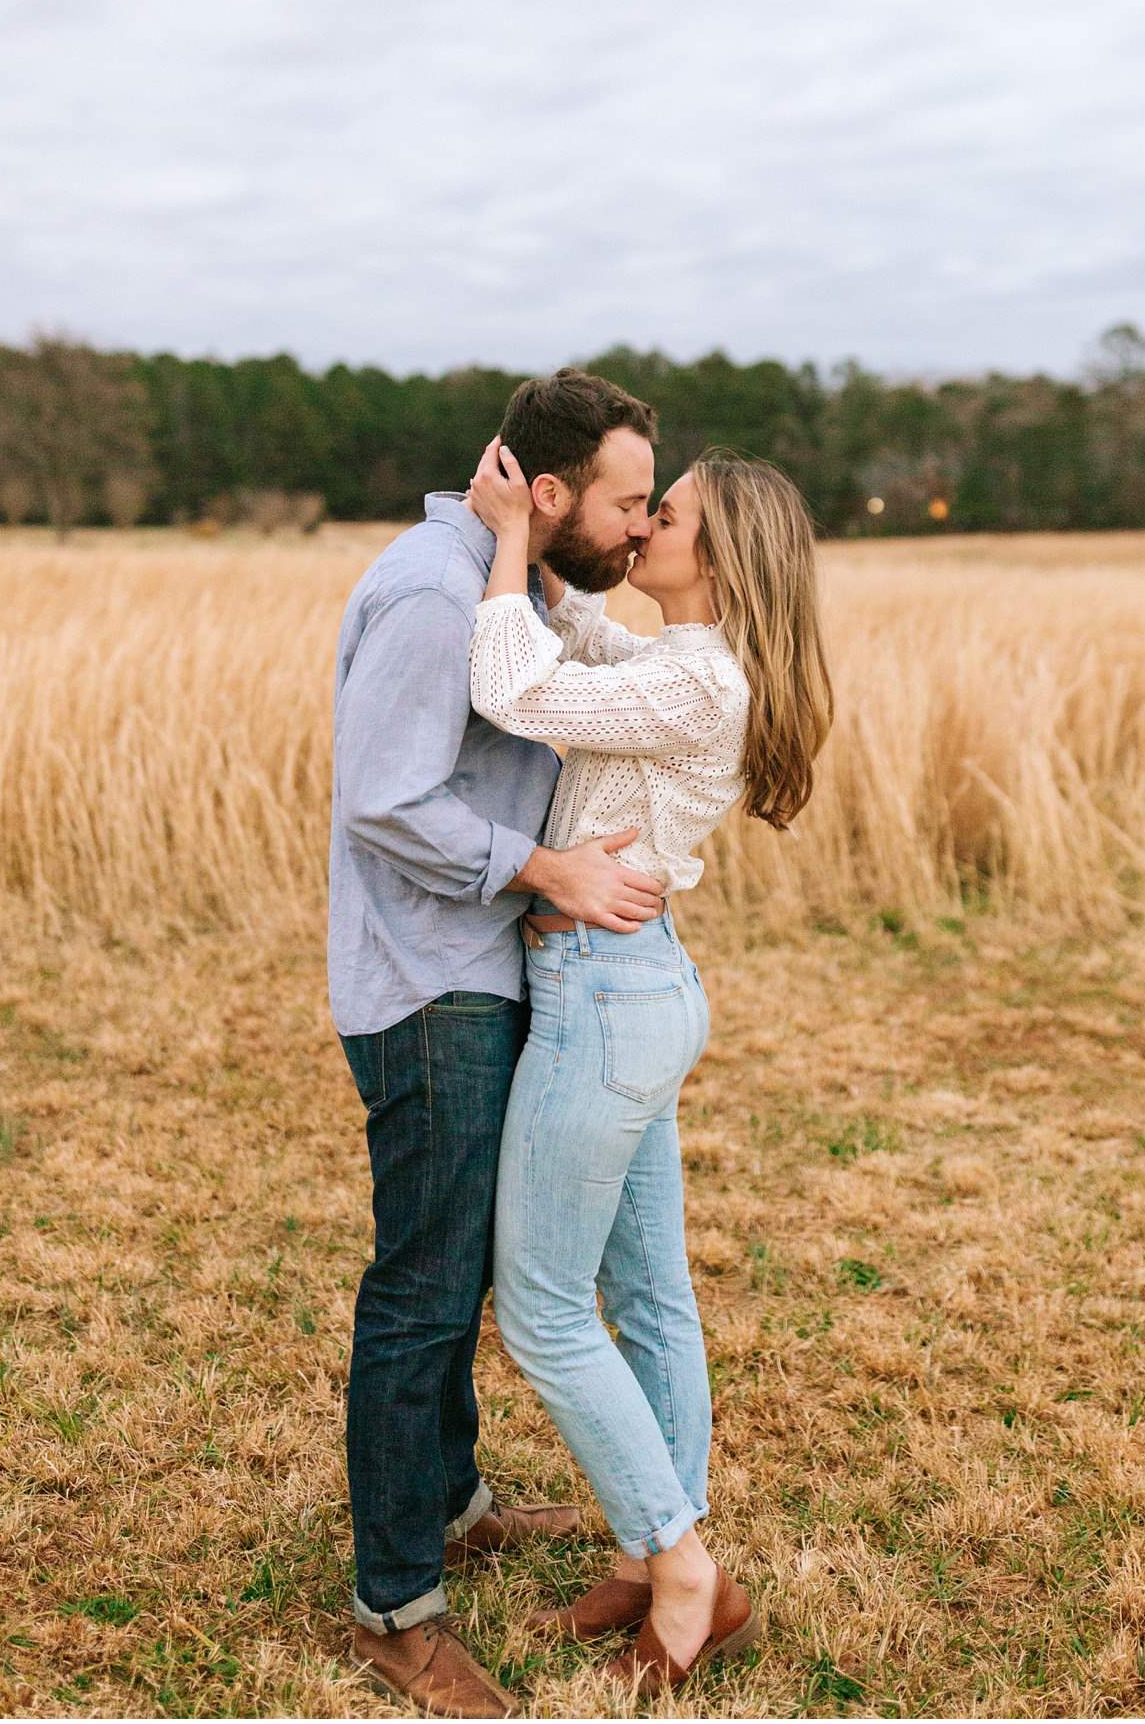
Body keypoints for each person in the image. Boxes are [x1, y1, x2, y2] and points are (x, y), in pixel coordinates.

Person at [329, 368, 674, 1720]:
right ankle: (396, 1607)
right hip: (430, 985)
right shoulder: (431, 591)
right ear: (546, 493)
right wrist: (549, 869)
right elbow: (386, 799)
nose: (642, 528)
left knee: (461, 1261)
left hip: (477, 967)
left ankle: (452, 1498)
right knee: (422, 1285)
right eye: (627, 501)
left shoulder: (512, 583)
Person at [466, 438, 834, 1699]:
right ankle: (649, 1544)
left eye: (659, 515)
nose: (640, 528)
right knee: (651, 1291)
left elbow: (518, 685)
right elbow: (586, 645)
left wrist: (507, 540)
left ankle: (684, 1575)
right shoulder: (686, 661)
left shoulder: (698, 683)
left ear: (713, 554)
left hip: (604, 1001)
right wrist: (553, 535)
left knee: (546, 1309)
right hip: (638, 988)